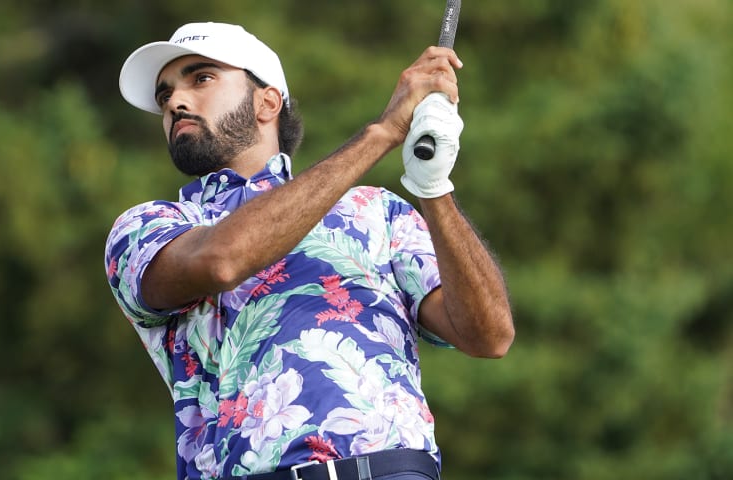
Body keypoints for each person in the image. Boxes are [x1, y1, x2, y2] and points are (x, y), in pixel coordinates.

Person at [105, 21, 514, 480]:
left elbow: (488, 336)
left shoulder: (376, 211)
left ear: (267, 101)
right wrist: (381, 134)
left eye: (201, 79)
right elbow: (221, 261)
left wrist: (433, 185)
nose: (176, 102)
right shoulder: (150, 228)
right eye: (165, 96)